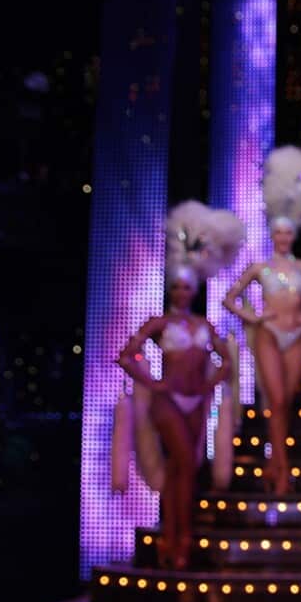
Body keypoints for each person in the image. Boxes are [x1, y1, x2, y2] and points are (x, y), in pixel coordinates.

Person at [118, 201, 242, 569]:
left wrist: (212, 385)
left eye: (187, 288)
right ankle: (180, 539)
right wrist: (152, 382)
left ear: (194, 290)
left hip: (196, 402)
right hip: (168, 401)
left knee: (179, 470)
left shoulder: (205, 325)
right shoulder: (158, 323)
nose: (182, 293)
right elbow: (126, 356)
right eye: (176, 287)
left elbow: (228, 360)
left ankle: (171, 540)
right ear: (171, 289)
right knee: (185, 464)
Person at [224, 146, 301, 494]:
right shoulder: (261, 268)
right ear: (273, 236)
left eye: (289, 233)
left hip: (297, 334)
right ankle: (283, 471)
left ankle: (274, 464)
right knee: (274, 399)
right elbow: (229, 298)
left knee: (285, 402)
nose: (284, 238)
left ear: (293, 236)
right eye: (279, 233)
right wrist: (254, 317)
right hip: (270, 333)